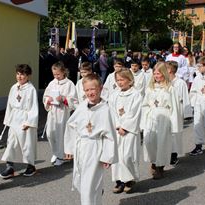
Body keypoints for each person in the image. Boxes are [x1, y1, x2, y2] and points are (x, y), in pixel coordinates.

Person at [64, 74, 118, 205]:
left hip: (95, 148)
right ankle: (96, 195)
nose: (90, 93)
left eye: (92, 89)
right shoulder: (82, 106)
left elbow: (110, 135)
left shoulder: (106, 109)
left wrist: (108, 156)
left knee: (88, 185)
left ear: (100, 88)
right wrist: (69, 148)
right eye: (87, 90)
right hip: (81, 147)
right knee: (83, 182)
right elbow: (71, 125)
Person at [0, 64, 39, 179]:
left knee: (27, 144)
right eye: (18, 74)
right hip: (14, 118)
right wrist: (8, 120)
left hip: (25, 120)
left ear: (28, 76)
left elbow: (33, 107)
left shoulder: (31, 89)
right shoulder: (14, 87)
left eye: (23, 74)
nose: (20, 76)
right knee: (11, 143)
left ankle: (31, 166)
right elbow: (10, 105)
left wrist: (29, 122)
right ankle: (10, 167)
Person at [141, 62, 179, 179]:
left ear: (164, 74)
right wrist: (145, 118)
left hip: (164, 118)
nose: (156, 76)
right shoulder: (150, 88)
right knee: (150, 141)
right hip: (151, 118)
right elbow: (145, 104)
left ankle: (160, 166)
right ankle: (153, 161)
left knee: (162, 143)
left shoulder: (170, 88)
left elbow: (174, 107)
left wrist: (174, 125)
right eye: (155, 73)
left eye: (159, 73)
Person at [108, 68, 143, 194]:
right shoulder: (114, 95)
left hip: (130, 131)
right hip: (117, 130)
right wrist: (117, 126)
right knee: (117, 157)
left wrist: (125, 127)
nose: (119, 82)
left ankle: (129, 180)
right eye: (117, 80)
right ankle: (119, 181)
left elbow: (135, 113)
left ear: (130, 80)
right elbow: (111, 112)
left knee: (127, 156)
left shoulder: (136, 95)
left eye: (122, 80)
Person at [43, 61, 78, 166]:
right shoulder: (52, 83)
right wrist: (47, 100)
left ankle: (60, 156)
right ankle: (55, 152)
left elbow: (74, 100)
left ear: (63, 72)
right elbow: (45, 96)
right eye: (54, 74)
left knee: (61, 134)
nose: (56, 76)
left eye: (58, 74)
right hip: (53, 112)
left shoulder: (69, 84)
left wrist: (63, 99)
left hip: (63, 112)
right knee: (50, 133)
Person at [166, 61, 192, 165]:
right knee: (167, 134)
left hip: (177, 111)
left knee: (175, 134)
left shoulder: (180, 83)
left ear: (170, 70)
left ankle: (174, 154)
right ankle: (168, 153)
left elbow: (185, 98)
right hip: (167, 112)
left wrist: (187, 114)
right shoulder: (165, 82)